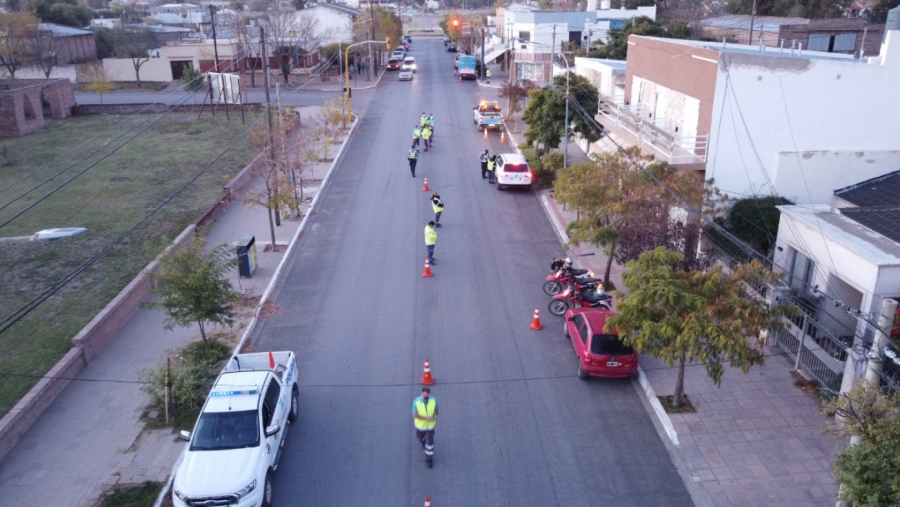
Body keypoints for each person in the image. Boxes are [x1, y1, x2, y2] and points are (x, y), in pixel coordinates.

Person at [412, 388, 438, 468]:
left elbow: (436, 409)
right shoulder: (416, 402)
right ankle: (423, 441)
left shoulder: (433, 400)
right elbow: (414, 415)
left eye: (428, 394)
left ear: (429, 394)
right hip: (421, 425)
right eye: (425, 394)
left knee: (430, 443)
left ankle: (429, 459)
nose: (426, 396)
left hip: (430, 426)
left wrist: (436, 415)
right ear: (422, 393)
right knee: (420, 437)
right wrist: (425, 418)